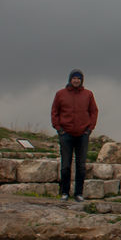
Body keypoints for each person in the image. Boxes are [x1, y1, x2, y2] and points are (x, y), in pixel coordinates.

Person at [51, 68, 98, 202]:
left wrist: (89, 129)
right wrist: (59, 129)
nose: (76, 80)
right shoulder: (60, 94)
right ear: (70, 80)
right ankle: (65, 192)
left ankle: (79, 193)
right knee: (66, 165)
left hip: (82, 134)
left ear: (81, 80)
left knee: (81, 166)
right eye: (74, 78)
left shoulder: (88, 94)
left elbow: (94, 111)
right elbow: (55, 111)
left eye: (78, 78)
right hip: (66, 134)